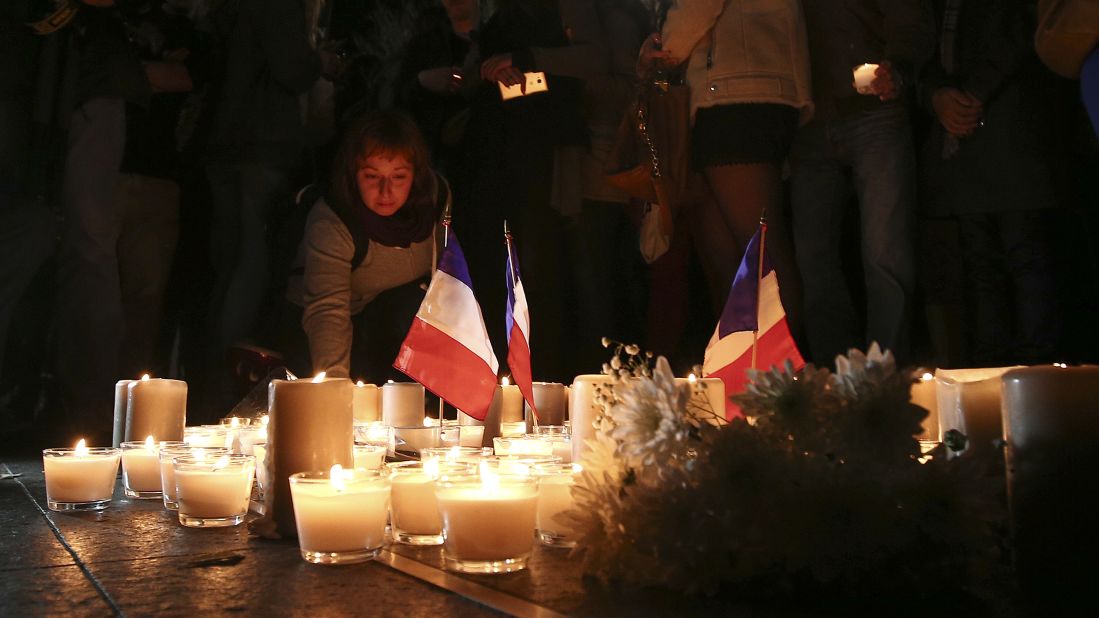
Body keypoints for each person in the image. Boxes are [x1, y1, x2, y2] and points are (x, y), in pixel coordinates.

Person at [641, 0, 813, 349]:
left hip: (741, 93)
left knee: (762, 257)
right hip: (724, 95)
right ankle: (744, 379)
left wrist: (660, 49)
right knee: (734, 261)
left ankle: (784, 383)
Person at [919, 0, 1076, 366]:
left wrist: (971, 94)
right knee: (981, 264)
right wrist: (937, 95)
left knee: (1024, 257)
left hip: (1011, 129)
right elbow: (924, 46)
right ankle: (991, 376)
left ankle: (1040, 378)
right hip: (965, 144)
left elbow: (1022, 27)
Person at [789, 0, 934, 366]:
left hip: (875, 109)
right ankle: (834, 377)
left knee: (887, 250)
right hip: (806, 118)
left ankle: (884, 378)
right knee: (813, 255)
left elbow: (910, 18)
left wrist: (897, 67)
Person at [280, 111, 449, 381]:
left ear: (415, 175)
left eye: (398, 177)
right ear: (353, 174)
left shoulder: (435, 200)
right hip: (317, 325)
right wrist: (335, 382)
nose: (385, 191)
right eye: (372, 177)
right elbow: (328, 310)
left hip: (386, 317)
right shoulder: (333, 221)